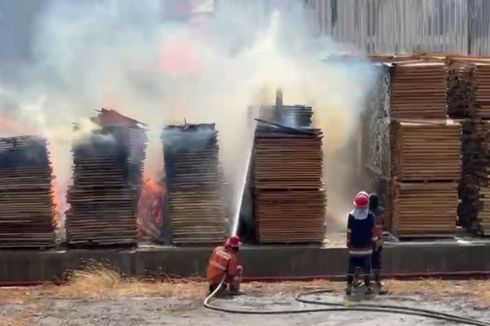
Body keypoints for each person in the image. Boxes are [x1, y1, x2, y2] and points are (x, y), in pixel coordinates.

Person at [346, 191, 377, 295]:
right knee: (367, 268)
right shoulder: (370, 216)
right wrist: (375, 244)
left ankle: (349, 287)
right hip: (366, 249)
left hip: (354, 249)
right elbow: (373, 233)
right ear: (367, 204)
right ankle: (367, 288)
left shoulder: (351, 216)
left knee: (351, 268)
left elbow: (349, 231)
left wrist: (348, 243)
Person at [369, 193, 385, 292]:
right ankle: (377, 281)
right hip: (377, 242)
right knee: (376, 262)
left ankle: (360, 281)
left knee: (365, 261)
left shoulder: (366, 214)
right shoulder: (379, 213)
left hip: (368, 242)